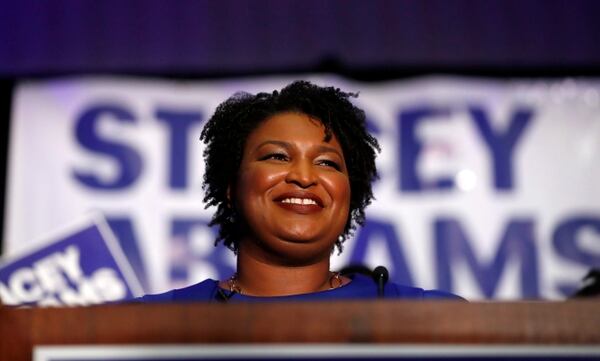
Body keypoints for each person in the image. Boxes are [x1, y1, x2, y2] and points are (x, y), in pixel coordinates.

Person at [139, 80, 462, 303]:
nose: (305, 177)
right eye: (277, 156)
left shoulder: (430, 318)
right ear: (231, 187)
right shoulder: (150, 325)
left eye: (327, 163)